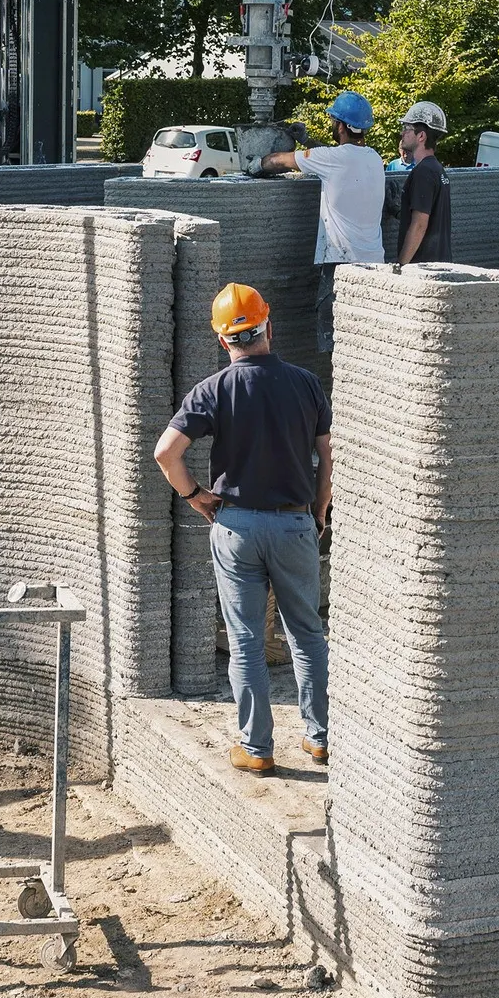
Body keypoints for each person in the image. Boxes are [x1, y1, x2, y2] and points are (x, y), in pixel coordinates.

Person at [152, 283, 334, 775]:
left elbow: (166, 454)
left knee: (248, 640)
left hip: (235, 528)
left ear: (223, 341)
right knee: (308, 635)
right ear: (268, 327)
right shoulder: (305, 384)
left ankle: (257, 750)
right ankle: (320, 741)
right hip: (295, 522)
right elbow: (327, 455)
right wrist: (318, 512)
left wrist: (195, 496)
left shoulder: (212, 390)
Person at [257, 91, 385, 352]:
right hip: (375, 263)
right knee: (367, 344)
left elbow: (277, 161)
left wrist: (255, 164)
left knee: (337, 343)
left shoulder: (332, 159)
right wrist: (305, 140)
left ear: (339, 125)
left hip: (341, 265)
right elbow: (334, 157)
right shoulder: (373, 158)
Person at [397, 100, 454, 264]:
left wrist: (401, 266)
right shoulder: (437, 169)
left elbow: (420, 224)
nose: (402, 133)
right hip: (439, 263)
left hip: (422, 268)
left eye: (407, 128)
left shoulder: (423, 172)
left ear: (421, 136)